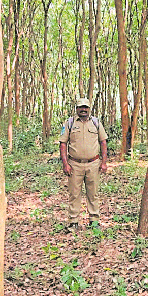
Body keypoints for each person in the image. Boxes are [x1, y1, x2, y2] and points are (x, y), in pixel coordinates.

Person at [59, 98, 107, 230]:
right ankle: (73, 221)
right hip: (74, 164)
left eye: (86, 107)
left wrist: (104, 162)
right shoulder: (69, 123)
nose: (83, 109)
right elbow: (63, 144)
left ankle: (94, 221)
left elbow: (103, 142)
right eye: (81, 107)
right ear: (77, 109)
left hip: (93, 164)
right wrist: (65, 164)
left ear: (89, 109)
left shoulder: (96, 123)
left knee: (93, 193)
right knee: (74, 193)